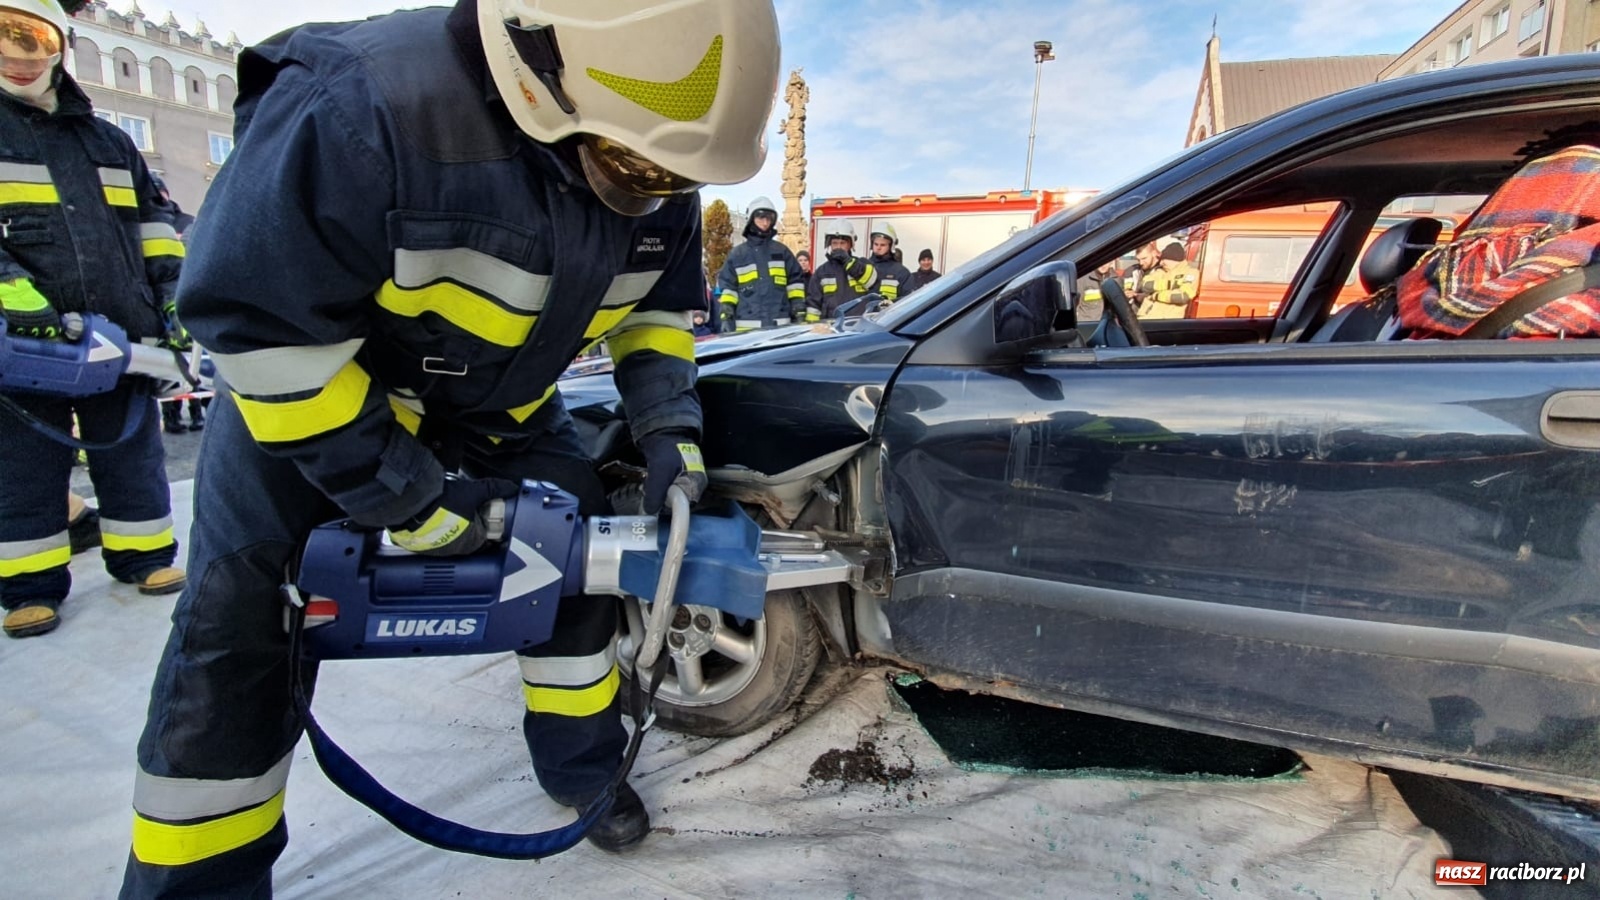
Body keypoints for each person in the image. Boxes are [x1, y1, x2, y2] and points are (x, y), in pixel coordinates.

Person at [118, 0, 780, 894]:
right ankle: (200, 878)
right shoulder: (360, 107)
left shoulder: (655, 139)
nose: (646, 186)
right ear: (539, 74)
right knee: (238, 629)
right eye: (627, 165)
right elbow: (261, 334)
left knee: (579, 564)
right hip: (320, 395)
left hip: (505, 404)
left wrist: (671, 433)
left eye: (665, 177)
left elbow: (654, 315)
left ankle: (582, 767)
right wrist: (409, 501)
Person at [0, 0, 187, 641]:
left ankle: (144, 556)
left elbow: (158, 231)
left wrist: (173, 300)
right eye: (4, 35)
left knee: (133, 451)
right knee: (24, 465)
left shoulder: (109, 141)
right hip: (28, 344)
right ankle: (29, 589)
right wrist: (13, 294)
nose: (19, 55)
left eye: (32, 38)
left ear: (59, 45)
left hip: (123, 331)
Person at [714, 195, 805, 331]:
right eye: (761, 218)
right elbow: (728, 288)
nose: (765, 223)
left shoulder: (781, 251)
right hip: (747, 330)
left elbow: (795, 283)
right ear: (751, 219)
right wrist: (726, 315)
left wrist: (799, 309)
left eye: (769, 218)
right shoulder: (738, 255)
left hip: (780, 328)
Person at [805, 222, 878, 321]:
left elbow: (871, 281)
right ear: (829, 244)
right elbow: (813, 305)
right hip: (832, 326)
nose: (838, 247)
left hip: (859, 324)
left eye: (842, 243)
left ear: (850, 244)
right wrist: (813, 328)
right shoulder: (822, 272)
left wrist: (848, 262)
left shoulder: (863, 264)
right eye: (835, 243)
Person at [1137, 241, 1198, 320]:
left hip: (1164, 321)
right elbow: (1145, 285)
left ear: (1174, 259)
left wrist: (1155, 295)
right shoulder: (1160, 271)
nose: (1161, 263)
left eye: (1164, 260)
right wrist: (1171, 284)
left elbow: (1182, 296)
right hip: (1144, 318)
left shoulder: (1191, 273)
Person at [866, 223, 911, 303]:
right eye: (876, 244)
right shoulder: (863, 267)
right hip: (863, 315)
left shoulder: (901, 272)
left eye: (883, 245)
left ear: (891, 246)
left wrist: (892, 303)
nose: (878, 248)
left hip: (890, 315)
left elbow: (908, 301)